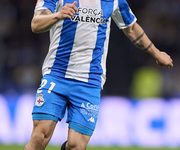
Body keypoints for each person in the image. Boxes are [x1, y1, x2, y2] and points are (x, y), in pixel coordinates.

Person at [24, 0, 173, 150]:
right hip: (56, 75)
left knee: (76, 146)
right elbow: (36, 24)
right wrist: (58, 15)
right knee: (39, 137)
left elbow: (131, 27)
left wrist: (157, 53)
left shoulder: (115, 1)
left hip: (90, 81)